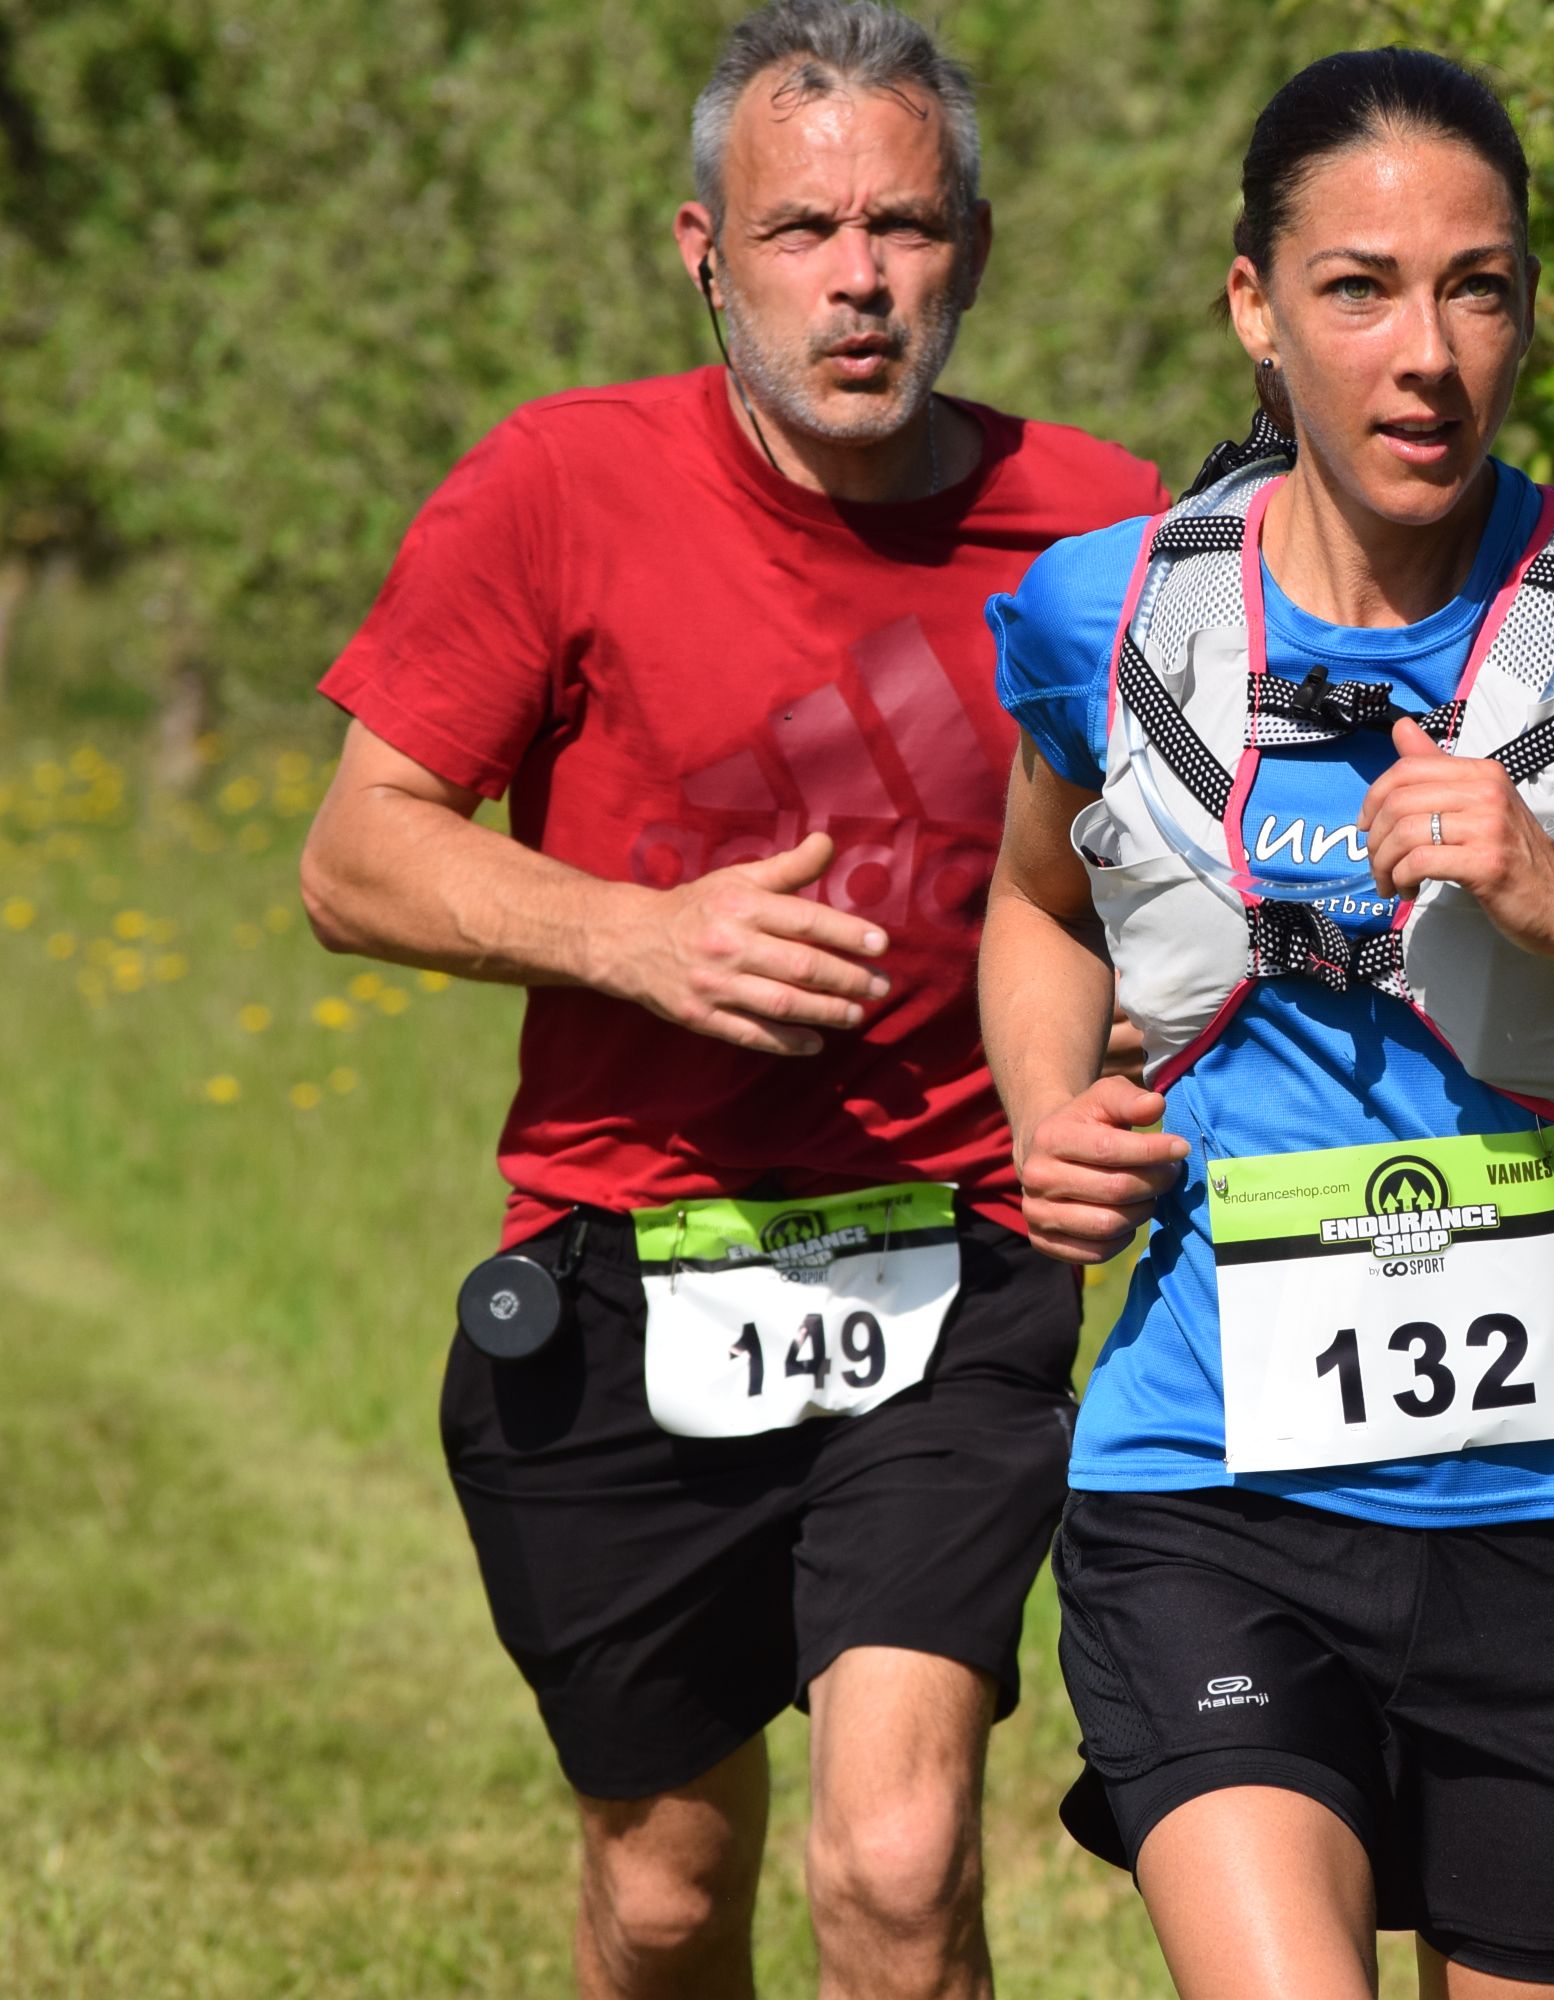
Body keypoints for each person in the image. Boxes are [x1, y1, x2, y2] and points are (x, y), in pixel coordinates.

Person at [977, 46, 1554, 2000]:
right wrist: (1046, 1110)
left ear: (1528, 308)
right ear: (1255, 307)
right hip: (1206, 1484)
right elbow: (1037, 902)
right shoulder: (1108, 620)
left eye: (1476, 289)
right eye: (1361, 289)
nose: (1426, 354)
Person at [296, 5, 1168, 1995]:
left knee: (898, 1866)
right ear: (705, 251)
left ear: (972, 248)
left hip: (955, 1256)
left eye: (906, 227)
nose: (859, 281)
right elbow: (356, 855)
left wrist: (1129, 1036)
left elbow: (1174, 874)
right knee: (668, 1896)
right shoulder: (560, 485)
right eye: (802, 230)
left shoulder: (1104, 527)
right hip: (625, 1268)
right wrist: (641, 938)